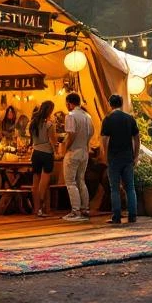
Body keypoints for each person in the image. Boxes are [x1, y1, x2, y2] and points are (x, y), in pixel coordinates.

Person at [100, 93, 140, 224]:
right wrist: (136, 155)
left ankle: (116, 216)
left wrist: (105, 156)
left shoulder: (108, 119)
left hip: (114, 158)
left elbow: (104, 140)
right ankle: (132, 215)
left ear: (110, 104)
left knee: (115, 188)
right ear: (121, 104)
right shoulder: (129, 119)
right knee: (130, 187)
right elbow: (137, 138)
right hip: (128, 157)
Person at [61, 92, 94, 221]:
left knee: (70, 182)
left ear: (69, 103)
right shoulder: (88, 116)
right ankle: (85, 208)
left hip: (73, 151)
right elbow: (91, 133)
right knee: (81, 180)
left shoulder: (70, 116)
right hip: (84, 151)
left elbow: (71, 134)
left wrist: (66, 148)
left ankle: (75, 211)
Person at [29, 100, 55, 218]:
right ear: (50, 110)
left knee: (35, 183)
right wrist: (57, 150)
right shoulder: (49, 124)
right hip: (46, 153)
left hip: (36, 153)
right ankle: (40, 209)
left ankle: (36, 209)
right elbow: (53, 141)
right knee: (43, 183)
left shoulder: (33, 123)